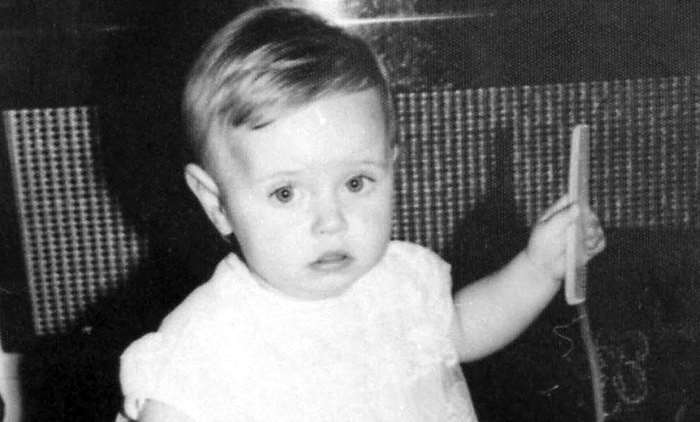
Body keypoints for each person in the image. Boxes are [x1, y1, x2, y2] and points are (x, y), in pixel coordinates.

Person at [117, 5, 606, 422]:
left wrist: (537, 268)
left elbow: (461, 330)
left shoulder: (399, 281)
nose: (331, 222)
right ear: (216, 203)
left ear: (391, 167)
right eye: (285, 193)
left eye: (355, 183)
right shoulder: (207, 344)